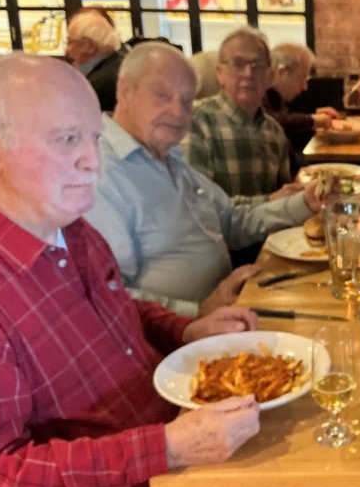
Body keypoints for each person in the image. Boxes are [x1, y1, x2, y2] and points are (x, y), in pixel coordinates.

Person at [0, 53, 262, 487]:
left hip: (169, 440)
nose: (93, 162)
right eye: (67, 139)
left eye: (94, 139)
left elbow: (117, 309)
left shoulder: (69, 226)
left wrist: (186, 330)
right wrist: (166, 448)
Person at [86, 42, 330, 318]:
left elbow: (232, 221)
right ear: (124, 91)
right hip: (181, 333)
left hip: (230, 307)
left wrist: (306, 202)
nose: (177, 112)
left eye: (186, 101)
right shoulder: (99, 173)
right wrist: (199, 311)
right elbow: (106, 292)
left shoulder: (170, 157)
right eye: (162, 95)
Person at [187, 27, 299, 206]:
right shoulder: (195, 121)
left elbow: (284, 205)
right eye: (237, 64)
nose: (248, 73)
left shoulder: (274, 132)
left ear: (269, 77)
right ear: (220, 73)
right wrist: (269, 202)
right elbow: (195, 204)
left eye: (257, 65)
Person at [262, 42, 339, 173]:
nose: (304, 87)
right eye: (302, 78)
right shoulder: (258, 96)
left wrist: (314, 114)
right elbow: (273, 123)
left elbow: (285, 119)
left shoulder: (274, 96)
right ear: (282, 73)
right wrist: (312, 120)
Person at [65, 9, 127, 113]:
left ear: (90, 46)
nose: (67, 50)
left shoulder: (97, 85)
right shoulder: (118, 63)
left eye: (70, 42)